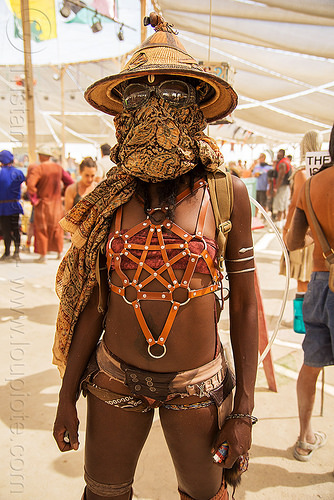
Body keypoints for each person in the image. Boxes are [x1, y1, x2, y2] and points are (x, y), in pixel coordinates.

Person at [53, 13, 258, 500]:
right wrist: (65, 396)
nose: (154, 109)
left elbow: (248, 305)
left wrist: (243, 411)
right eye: (140, 97)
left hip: (200, 388)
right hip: (113, 380)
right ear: (122, 112)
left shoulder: (226, 193)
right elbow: (94, 302)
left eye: (171, 95)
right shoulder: (111, 197)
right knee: (102, 493)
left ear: (195, 108)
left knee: (206, 496)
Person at [286, 124, 334, 462]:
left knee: (311, 363)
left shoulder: (312, 183)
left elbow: (293, 241)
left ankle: (305, 437)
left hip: (319, 279)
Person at [281, 131, 322, 296]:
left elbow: (295, 206)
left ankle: (302, 321)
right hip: (320, 231)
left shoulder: (302, 172)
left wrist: (286, 229)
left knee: (303, 281)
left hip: (303, 231)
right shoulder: (326, 171)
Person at [26, 145, 73, 263]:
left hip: (43, 204)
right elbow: (70, 182)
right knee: (57, 228)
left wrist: (35, 199)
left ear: (40, 156)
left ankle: (43, 256)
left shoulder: (39, 169)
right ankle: (58, 253)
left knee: (42, 229)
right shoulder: (58, 168)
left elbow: (30, 185)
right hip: (57, 204)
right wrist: (63, 194)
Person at [0, 150, 25, 261]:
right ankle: (16, 252)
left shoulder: (0, 173)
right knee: (16, 229)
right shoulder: (18, 172)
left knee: (6, 230)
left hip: (3, 207)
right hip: (15, 205)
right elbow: (24, 186)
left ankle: (6, 253)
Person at [272, 149, 292, 227]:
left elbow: (280, 176)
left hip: (282, 187)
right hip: (286, 186)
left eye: (279, 153)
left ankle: (279, 224)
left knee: (280, 205)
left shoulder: (282, 164)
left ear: (283, 154)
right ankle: (283, 223)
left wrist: (275, 188)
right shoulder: (287, 162)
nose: (277, 155)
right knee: (284, 205)